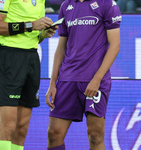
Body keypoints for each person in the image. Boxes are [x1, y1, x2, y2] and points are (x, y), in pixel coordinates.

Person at [45, 0, 122, 149]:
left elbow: (115, 45)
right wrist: (53, 83)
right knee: (54, 133)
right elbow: (61, 48)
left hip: (95, 80)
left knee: (95, 135)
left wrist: (97, 79)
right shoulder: (65, 6)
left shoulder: (107, 4)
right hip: (67, 80)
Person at [0, 0, 58, 150]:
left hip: (32, 57)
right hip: (9, 56)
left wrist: (44, 33)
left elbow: (34, 35)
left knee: (22, 126)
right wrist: (31, 25)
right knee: (9, 124)